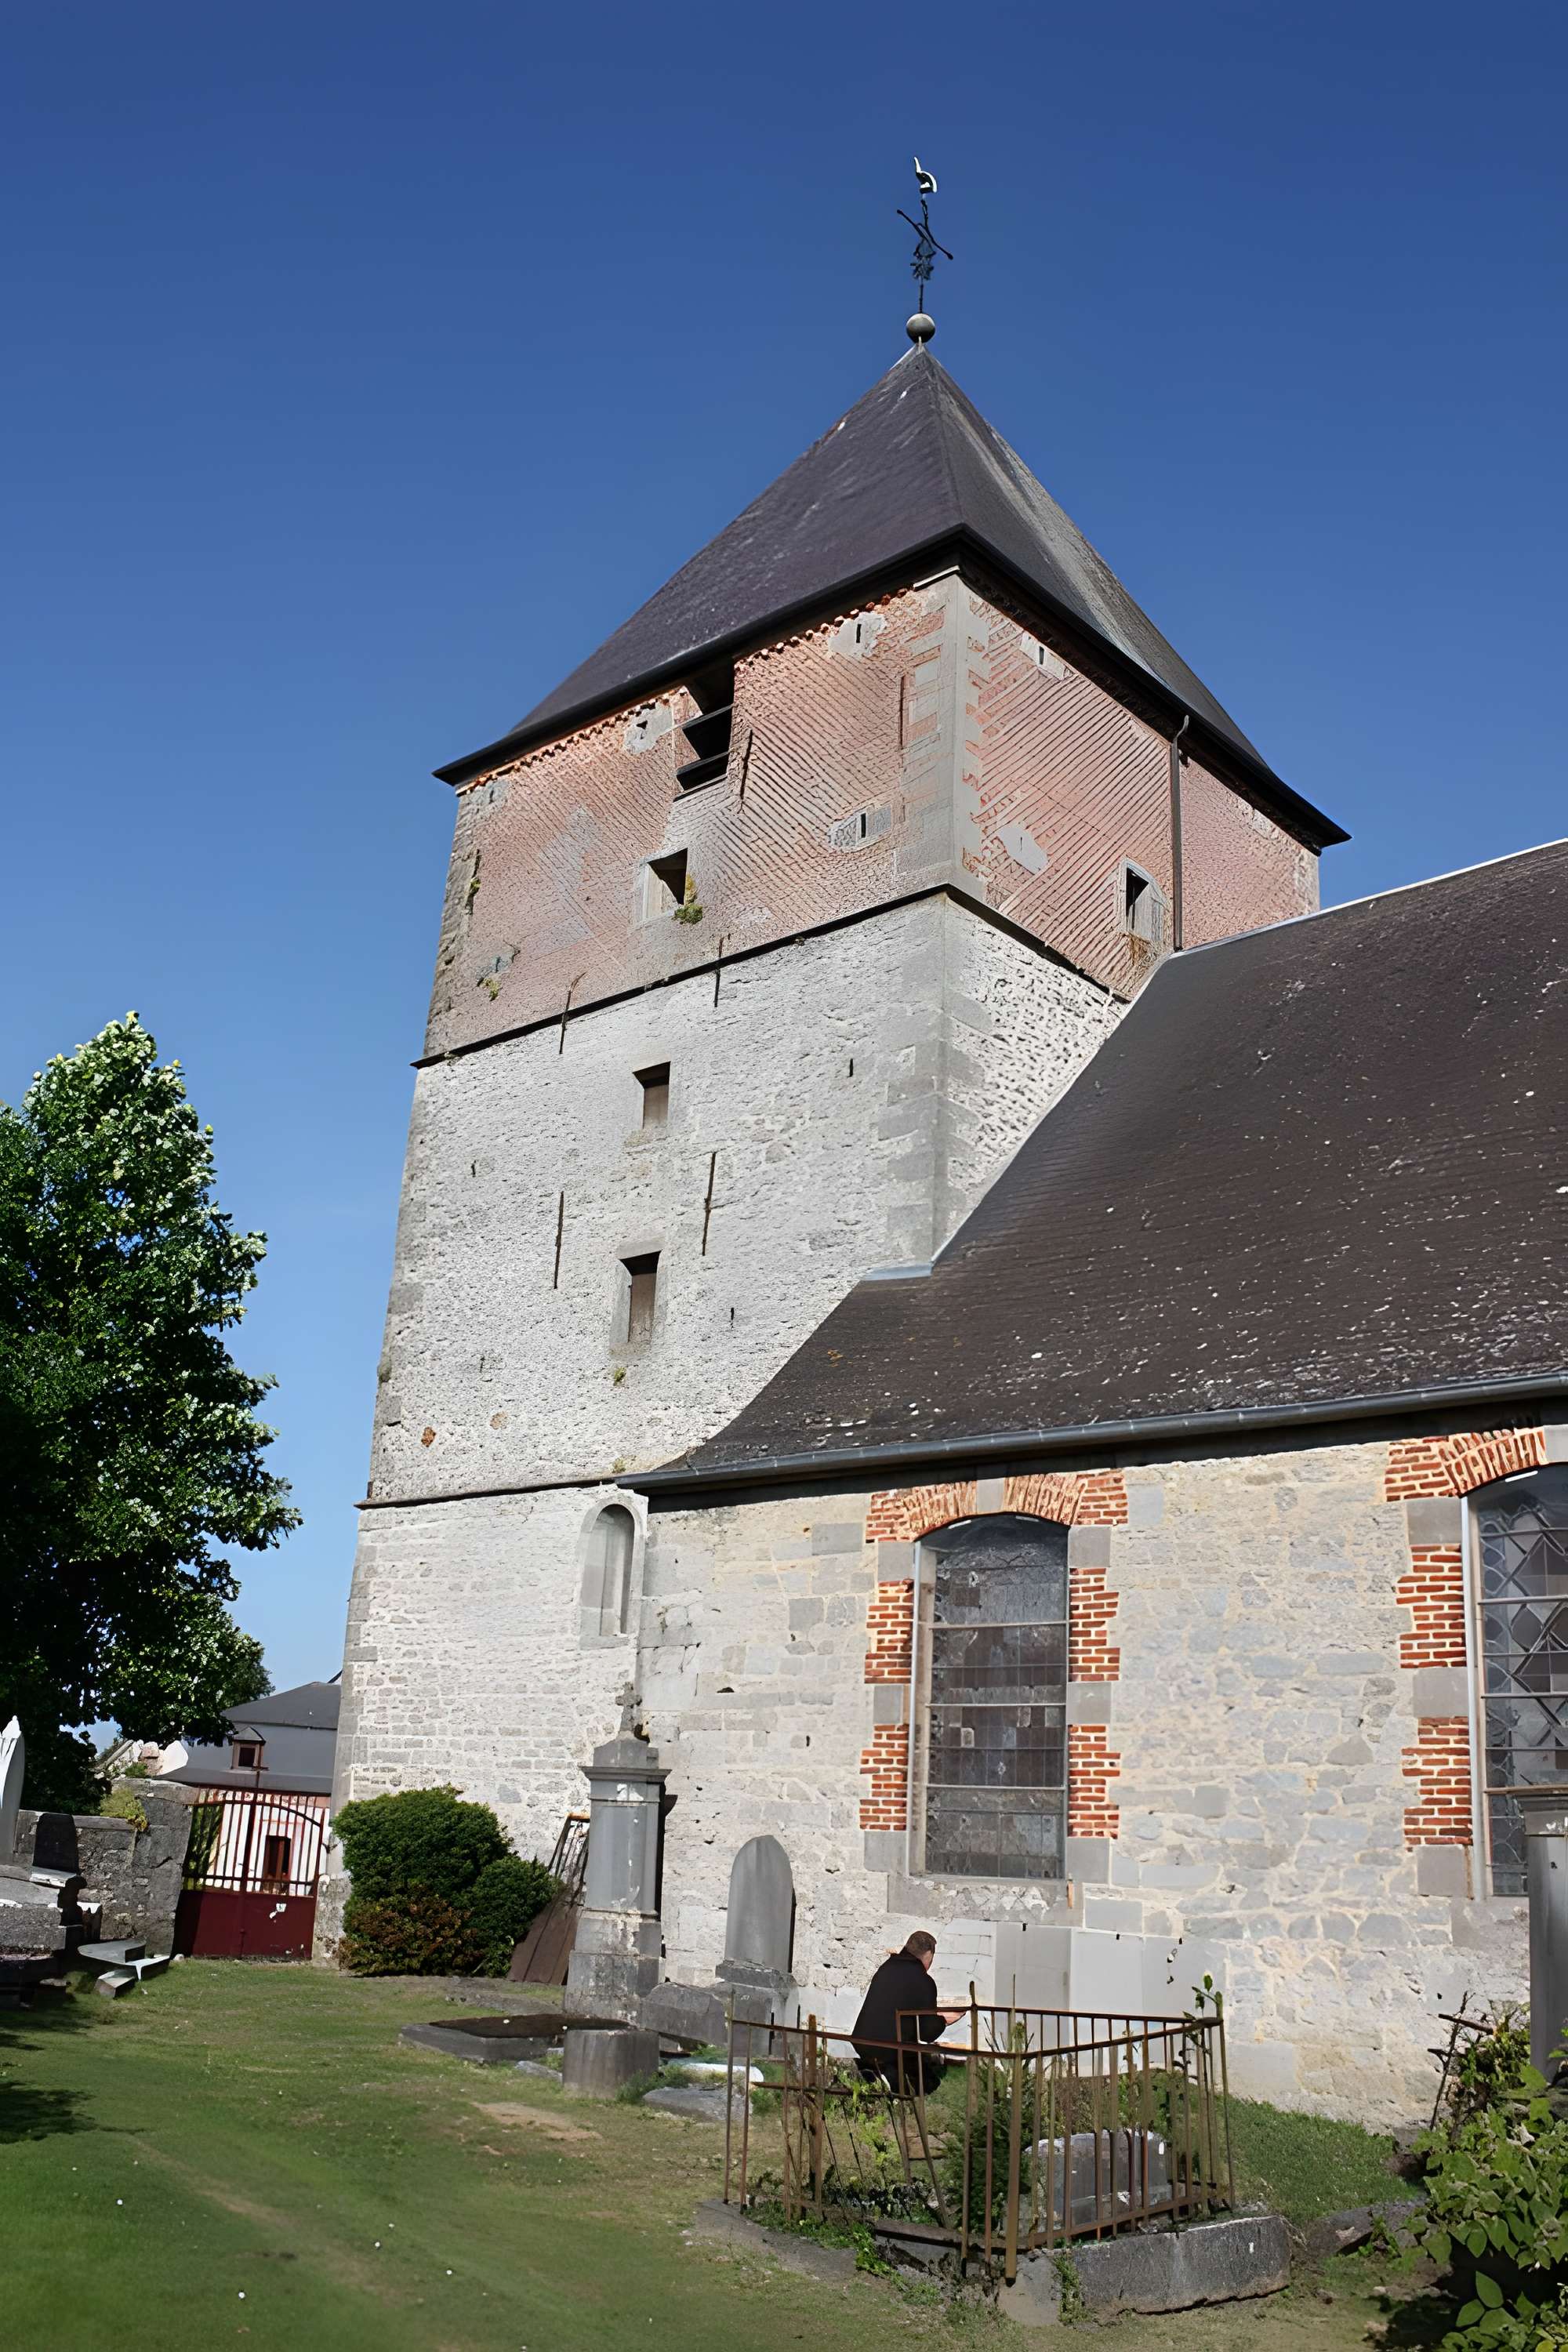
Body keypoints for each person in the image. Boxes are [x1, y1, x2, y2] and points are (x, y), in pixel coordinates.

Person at [851, 1931, 959, 2094]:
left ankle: (879, 2079)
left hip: (862, 2043)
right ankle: (893, 2084)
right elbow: (927, 2033)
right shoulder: (924, 1981)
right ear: (928, 1955)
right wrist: (944, 2020)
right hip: (890, 2051)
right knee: (929, 2082)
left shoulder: (886, 1968)